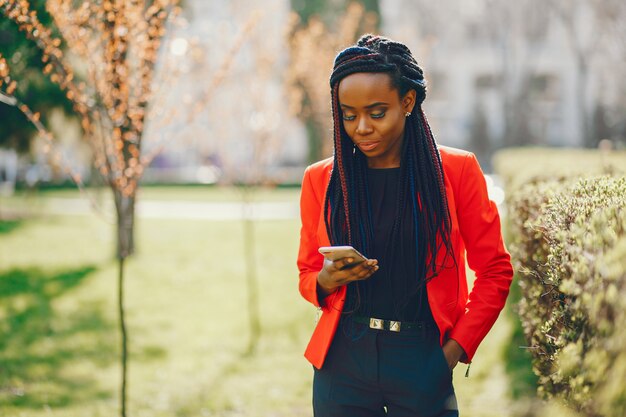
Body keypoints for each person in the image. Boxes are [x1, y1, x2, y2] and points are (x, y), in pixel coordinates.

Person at [297, 34, 514, 417]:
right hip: (342, 363)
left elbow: (495, 271)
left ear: (408, 102)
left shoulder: (456, 171)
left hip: (422, 358)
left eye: (376, 112)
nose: (361, 127)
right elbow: (307, 272)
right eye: (349, 114)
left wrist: (452, 352)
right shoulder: (322, 179)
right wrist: (326, 281)